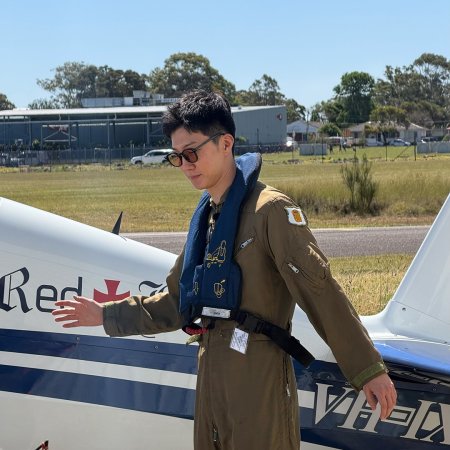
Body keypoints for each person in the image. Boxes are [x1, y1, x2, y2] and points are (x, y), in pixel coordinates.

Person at [52, 90, 397, 450]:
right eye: (177, 157)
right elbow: (176, 302)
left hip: (257, 377)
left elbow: (320, 291)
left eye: (192, 152)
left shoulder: (271, 211)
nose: (185, 165)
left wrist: (368, 370)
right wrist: (104, 314)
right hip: (212, 372)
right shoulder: (209, 219)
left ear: (226, 143)